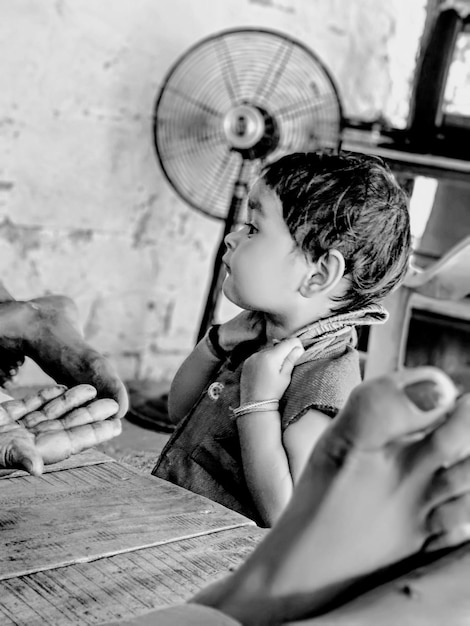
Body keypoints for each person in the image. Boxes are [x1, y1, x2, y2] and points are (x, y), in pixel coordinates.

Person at [152, 151, 411, 527]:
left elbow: (287, 515)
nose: (231, 237)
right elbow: (179, 412)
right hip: (172, 521)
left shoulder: (323, 382)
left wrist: (259, 403)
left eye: (254, 229)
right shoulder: (259, 334)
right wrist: (217, 343)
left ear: (319, 274)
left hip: (218, 562)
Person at [107, 367, 470, 625]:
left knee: (222, 613)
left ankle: (245, 604)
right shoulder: (251, 341)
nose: (228, 254)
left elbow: (279, 507)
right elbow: (178, 409)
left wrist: (258, 401)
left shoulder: (322, 374)